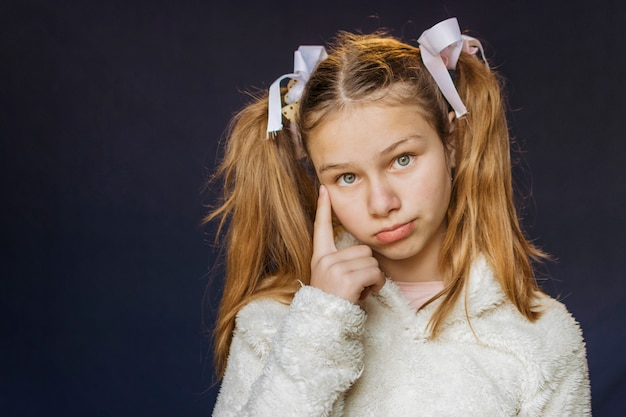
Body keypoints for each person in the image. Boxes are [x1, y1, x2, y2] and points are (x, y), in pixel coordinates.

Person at [206, 17, 591, 416]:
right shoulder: (275, 322)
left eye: (402, 160)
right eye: (347, 177)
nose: (381, 202)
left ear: (452, 143)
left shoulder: (542, 336)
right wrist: (321, 322)